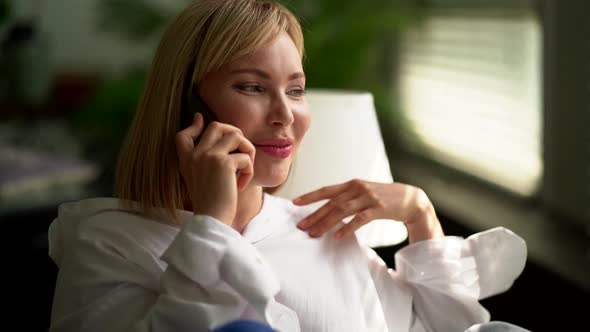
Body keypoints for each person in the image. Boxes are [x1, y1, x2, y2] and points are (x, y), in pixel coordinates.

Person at [48, 0, 528, 331]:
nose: (285, 115)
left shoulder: (318, 232)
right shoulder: (109, 242)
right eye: (252, 87)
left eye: (295, 89)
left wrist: (420, 213)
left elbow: (445, 329)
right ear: (187, 107)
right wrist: (214, 223)